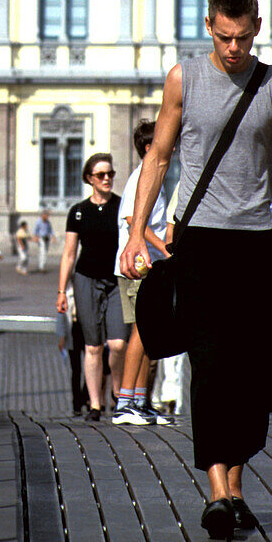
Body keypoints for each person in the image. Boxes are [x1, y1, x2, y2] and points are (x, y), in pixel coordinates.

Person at [121, 0, 272, 542]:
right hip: (197, 238)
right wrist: (135, 234)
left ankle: (237, 488)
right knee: (210, 361)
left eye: (243, 38)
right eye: (224, 38)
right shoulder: (184, 78)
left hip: (252, 242)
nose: (233, 50)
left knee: (249, 369)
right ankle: (219, 491)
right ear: (208, 27)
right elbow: (159, 155)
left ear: (257, 28)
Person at [57, 152, 129, 422]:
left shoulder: (122, 207)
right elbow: (68, 253)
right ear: (90, 179)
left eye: (110, 173)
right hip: (86, 280)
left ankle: (117, 391)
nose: (107, 178)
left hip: (115, 281)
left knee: (119, 343)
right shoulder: (79, 211)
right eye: (101, 175)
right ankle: (96, 405)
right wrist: (62, 290)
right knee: (93, 346)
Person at [112, 119, 172, 426]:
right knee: (140, 330)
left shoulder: (155, 178)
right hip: (137, 265)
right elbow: (135, 220)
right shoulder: (141, 178)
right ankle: (125, 402)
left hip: (149, 264)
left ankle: (139, 399)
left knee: (149, 331)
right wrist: (164, 246)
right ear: (150, 148)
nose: (173, 147)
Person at [56, 283, 88, 415]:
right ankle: (76, 401)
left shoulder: (88, 291)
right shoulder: (67, 293)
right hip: (72, 330)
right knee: (76, 369)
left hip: (86, 329)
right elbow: (61, 316)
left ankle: (86, 396)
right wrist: (61, 336)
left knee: (90, 366)